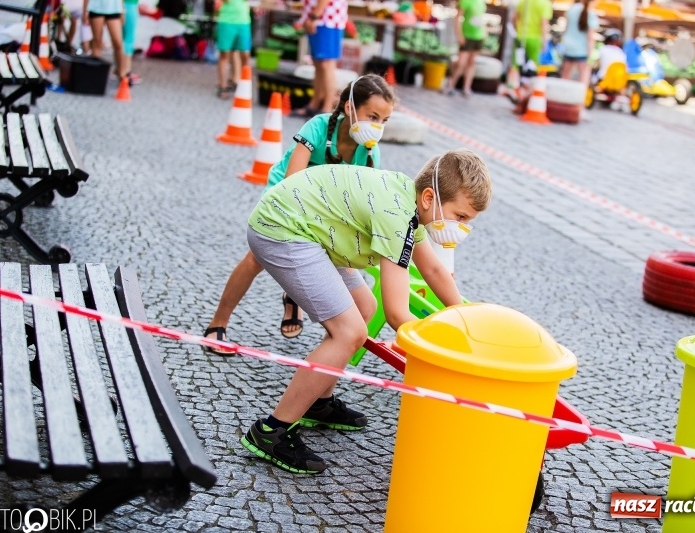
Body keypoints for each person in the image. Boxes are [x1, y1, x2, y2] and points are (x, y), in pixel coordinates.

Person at [238, 149, 493, 474]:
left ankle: (317, 402)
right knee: (350, 332)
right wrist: (446, 349)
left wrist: (468, 320)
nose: (463, 228)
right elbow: (397, 315)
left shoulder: (409, 204)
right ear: (430, 197)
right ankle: (272, 431)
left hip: (315, 229)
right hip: (284, 230)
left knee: (363, 306)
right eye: (461, 217)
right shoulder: (395, 216)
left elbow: (433, 271)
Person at [204, 74, 394, 347]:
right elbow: (293, 180)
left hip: (326, 212)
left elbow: (360, 204)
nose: (377, 127)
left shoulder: (370, 154)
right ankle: (218, 322)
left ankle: (324, 349)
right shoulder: (318, 126)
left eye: (384, 121)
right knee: (256, 258)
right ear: (350, 107)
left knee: (327, 263)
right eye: (372, 116)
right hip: (287, 196)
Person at [291, 0, 348, 116]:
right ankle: (314, 104)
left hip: (328, 18)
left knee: (326, 64)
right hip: (319, 18)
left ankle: (327, 109)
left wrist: (314, 16)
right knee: (318, 63)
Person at [507, 0, 552, 111]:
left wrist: (518, 30)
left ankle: (513, 91)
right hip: (534, 40)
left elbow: (514, 18)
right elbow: (543, 24)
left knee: (516, 66)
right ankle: (524, 99)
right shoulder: (544, 3)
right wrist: (545, 41)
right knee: (531, 70)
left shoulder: (524, 2)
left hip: (520, 38)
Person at [445, 0, 487, 97]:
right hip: (467, 36)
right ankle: (450, 85)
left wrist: (484, 33)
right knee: (461, 63)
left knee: (472, 62)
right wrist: (459, 35)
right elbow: (457, 19)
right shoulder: (465, 1)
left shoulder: (481, 2)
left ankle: (466, 88)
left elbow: (481, 19)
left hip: (479, 36)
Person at [214, 0, 252, 99]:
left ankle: (241, 83)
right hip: (226, 21)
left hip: (244, 22)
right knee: (224, 54)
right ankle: (223, 86)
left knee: (245, 54)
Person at [559, 0, 597, 87]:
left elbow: (566, 28)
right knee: (583, 77)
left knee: (565, 75)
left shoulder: (571, 9)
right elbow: (590, 36)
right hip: (582, 50)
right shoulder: (590, 13)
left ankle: (562, 96)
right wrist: (590, 53)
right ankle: (580, 99)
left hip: (568, 47)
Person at [82, 0, 124, 79]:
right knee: (97, 41)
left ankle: (121, 72)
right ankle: (95, 74)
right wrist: (84, 11)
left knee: (118, 43)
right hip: (96, 7)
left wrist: (122, 10)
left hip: (114, 8)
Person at [121, 0, 141, 84]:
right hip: (129, 5)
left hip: (125, 5)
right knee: (128, 39)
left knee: (123, 38)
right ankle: (126, 72)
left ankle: (121, 70)